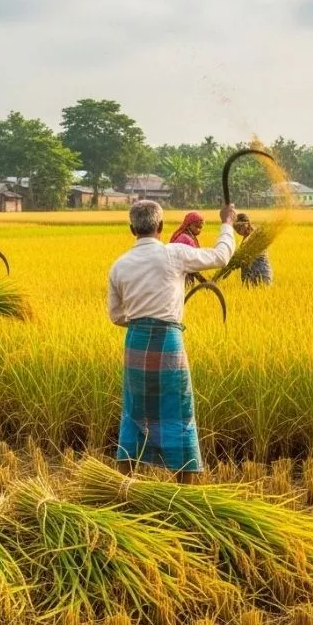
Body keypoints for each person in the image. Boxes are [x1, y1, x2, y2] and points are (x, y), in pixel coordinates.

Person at [107, 199, 237, 484]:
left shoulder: (119, 266)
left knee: (134, 413)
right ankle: (184, 494)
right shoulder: (174, 254)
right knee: (178, 412)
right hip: (168, 342)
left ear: (132, 229)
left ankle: (123, 488)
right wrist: (227, 223)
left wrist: (142, 322)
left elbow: (116, 316)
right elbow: (221, 256)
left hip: (135, 343)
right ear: (162, 226)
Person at [232, 213, 274, 287]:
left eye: (239, 227)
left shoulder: (257, 235)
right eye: (236, 229)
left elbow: (250, 254)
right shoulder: (245, 239)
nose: (238, 231)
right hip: (249, 276)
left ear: (247, 223)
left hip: (260, 273)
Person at [169, 211, 208, 287]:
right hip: (181, 274)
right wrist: (203, 281)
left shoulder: (190, 237)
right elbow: (189, 263)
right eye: (196, 227)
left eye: (200, 228)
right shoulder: (185, 238)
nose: (198, 230)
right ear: (188, 225)